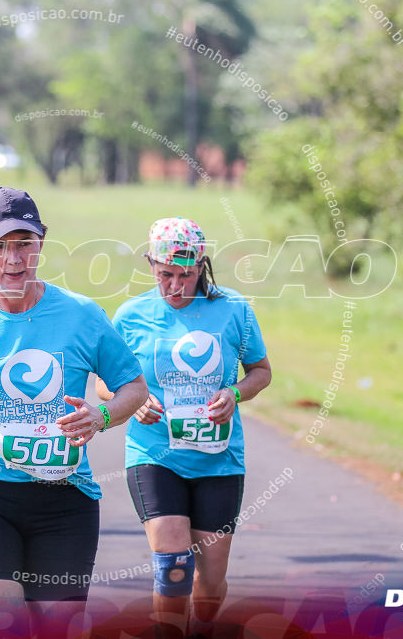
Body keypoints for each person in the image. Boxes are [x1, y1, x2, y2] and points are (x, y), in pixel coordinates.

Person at [0, 186, 150, 634]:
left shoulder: (82, 315)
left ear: (42, 242)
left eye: (24, 244)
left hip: (65, 503)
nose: (13, 259)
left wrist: (102, 416)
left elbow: (133, 387)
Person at [96, 217, 272, 638]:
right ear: (150, 265)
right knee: (173, 566)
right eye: (165, 275)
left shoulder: (233, 310)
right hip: (154, 456)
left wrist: (235, 393)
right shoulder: (132, 315)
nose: (175, 287)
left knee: (208, 586)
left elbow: (261, 371)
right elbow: (104, 383)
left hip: (219, 460)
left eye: (186, 275)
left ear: (202, 266)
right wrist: (132, 402)